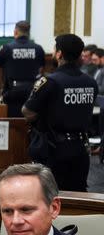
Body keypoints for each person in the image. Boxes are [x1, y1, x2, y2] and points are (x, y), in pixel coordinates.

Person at [22, 33, 97, 192]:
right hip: (81, 148)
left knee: (51, 194)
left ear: (59, 53)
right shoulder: (90, 82)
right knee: (77, 194)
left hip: (55, 149)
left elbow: (28, 112)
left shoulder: (49, 81)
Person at [0, 20, 46, 117]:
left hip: (12, 92)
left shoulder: (6, 48)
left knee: (13, 123)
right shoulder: (38, 48)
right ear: (28, 33)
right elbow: (41, 69)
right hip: (32, 91)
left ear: (15, 32)